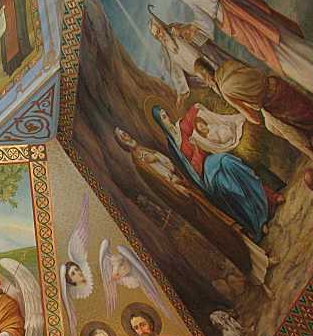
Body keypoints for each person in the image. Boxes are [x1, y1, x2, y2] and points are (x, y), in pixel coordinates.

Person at [114, 125, 272, 292]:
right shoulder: (139, 163)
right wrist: (177, 188)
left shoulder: (145, 151)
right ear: (122, 144)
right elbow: (162, 186)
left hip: (186, 189)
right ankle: (255, 271)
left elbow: (169, 166)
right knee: (221, 231)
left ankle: (261, 259)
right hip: (185, 197)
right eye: (122, 137)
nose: (126, 136)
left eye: (125, 132)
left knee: (225, 221)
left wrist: (169, 171)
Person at [147, 0, 313, 96]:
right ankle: (311, 81)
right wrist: (190, 28)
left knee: (271, 36)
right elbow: (203, 16)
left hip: (234, 8)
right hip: (227, 22)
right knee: (262, 50)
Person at [153, 103, 280, 242]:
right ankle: (258, 222)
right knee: (227, 185)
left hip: (210, 160)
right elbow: (188, 172)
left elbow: (192, 114)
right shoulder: (172, 147)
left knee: (229, 162)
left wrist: (194, 107)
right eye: (163, 117)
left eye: (166, 114)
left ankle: (269, 198)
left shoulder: (182, 126)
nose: (167, 118)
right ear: (160, 123)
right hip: (205, 176)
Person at [194, 58, 313, 168]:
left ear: (207, 77)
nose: (206, 83)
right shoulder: (228, 64)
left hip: (273, 103)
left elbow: (254, 118)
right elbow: (255, 72)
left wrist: (249, 109)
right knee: (272, 126)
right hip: (277, 83)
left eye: (203, 79)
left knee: (294, 137)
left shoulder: (225, 90)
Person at [0, 0, 33, 76]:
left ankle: (22, 53)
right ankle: (11, 65)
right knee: (9, 43)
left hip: (16, 14)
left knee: (18, 34)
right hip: (8, 21)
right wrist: (1, 11)